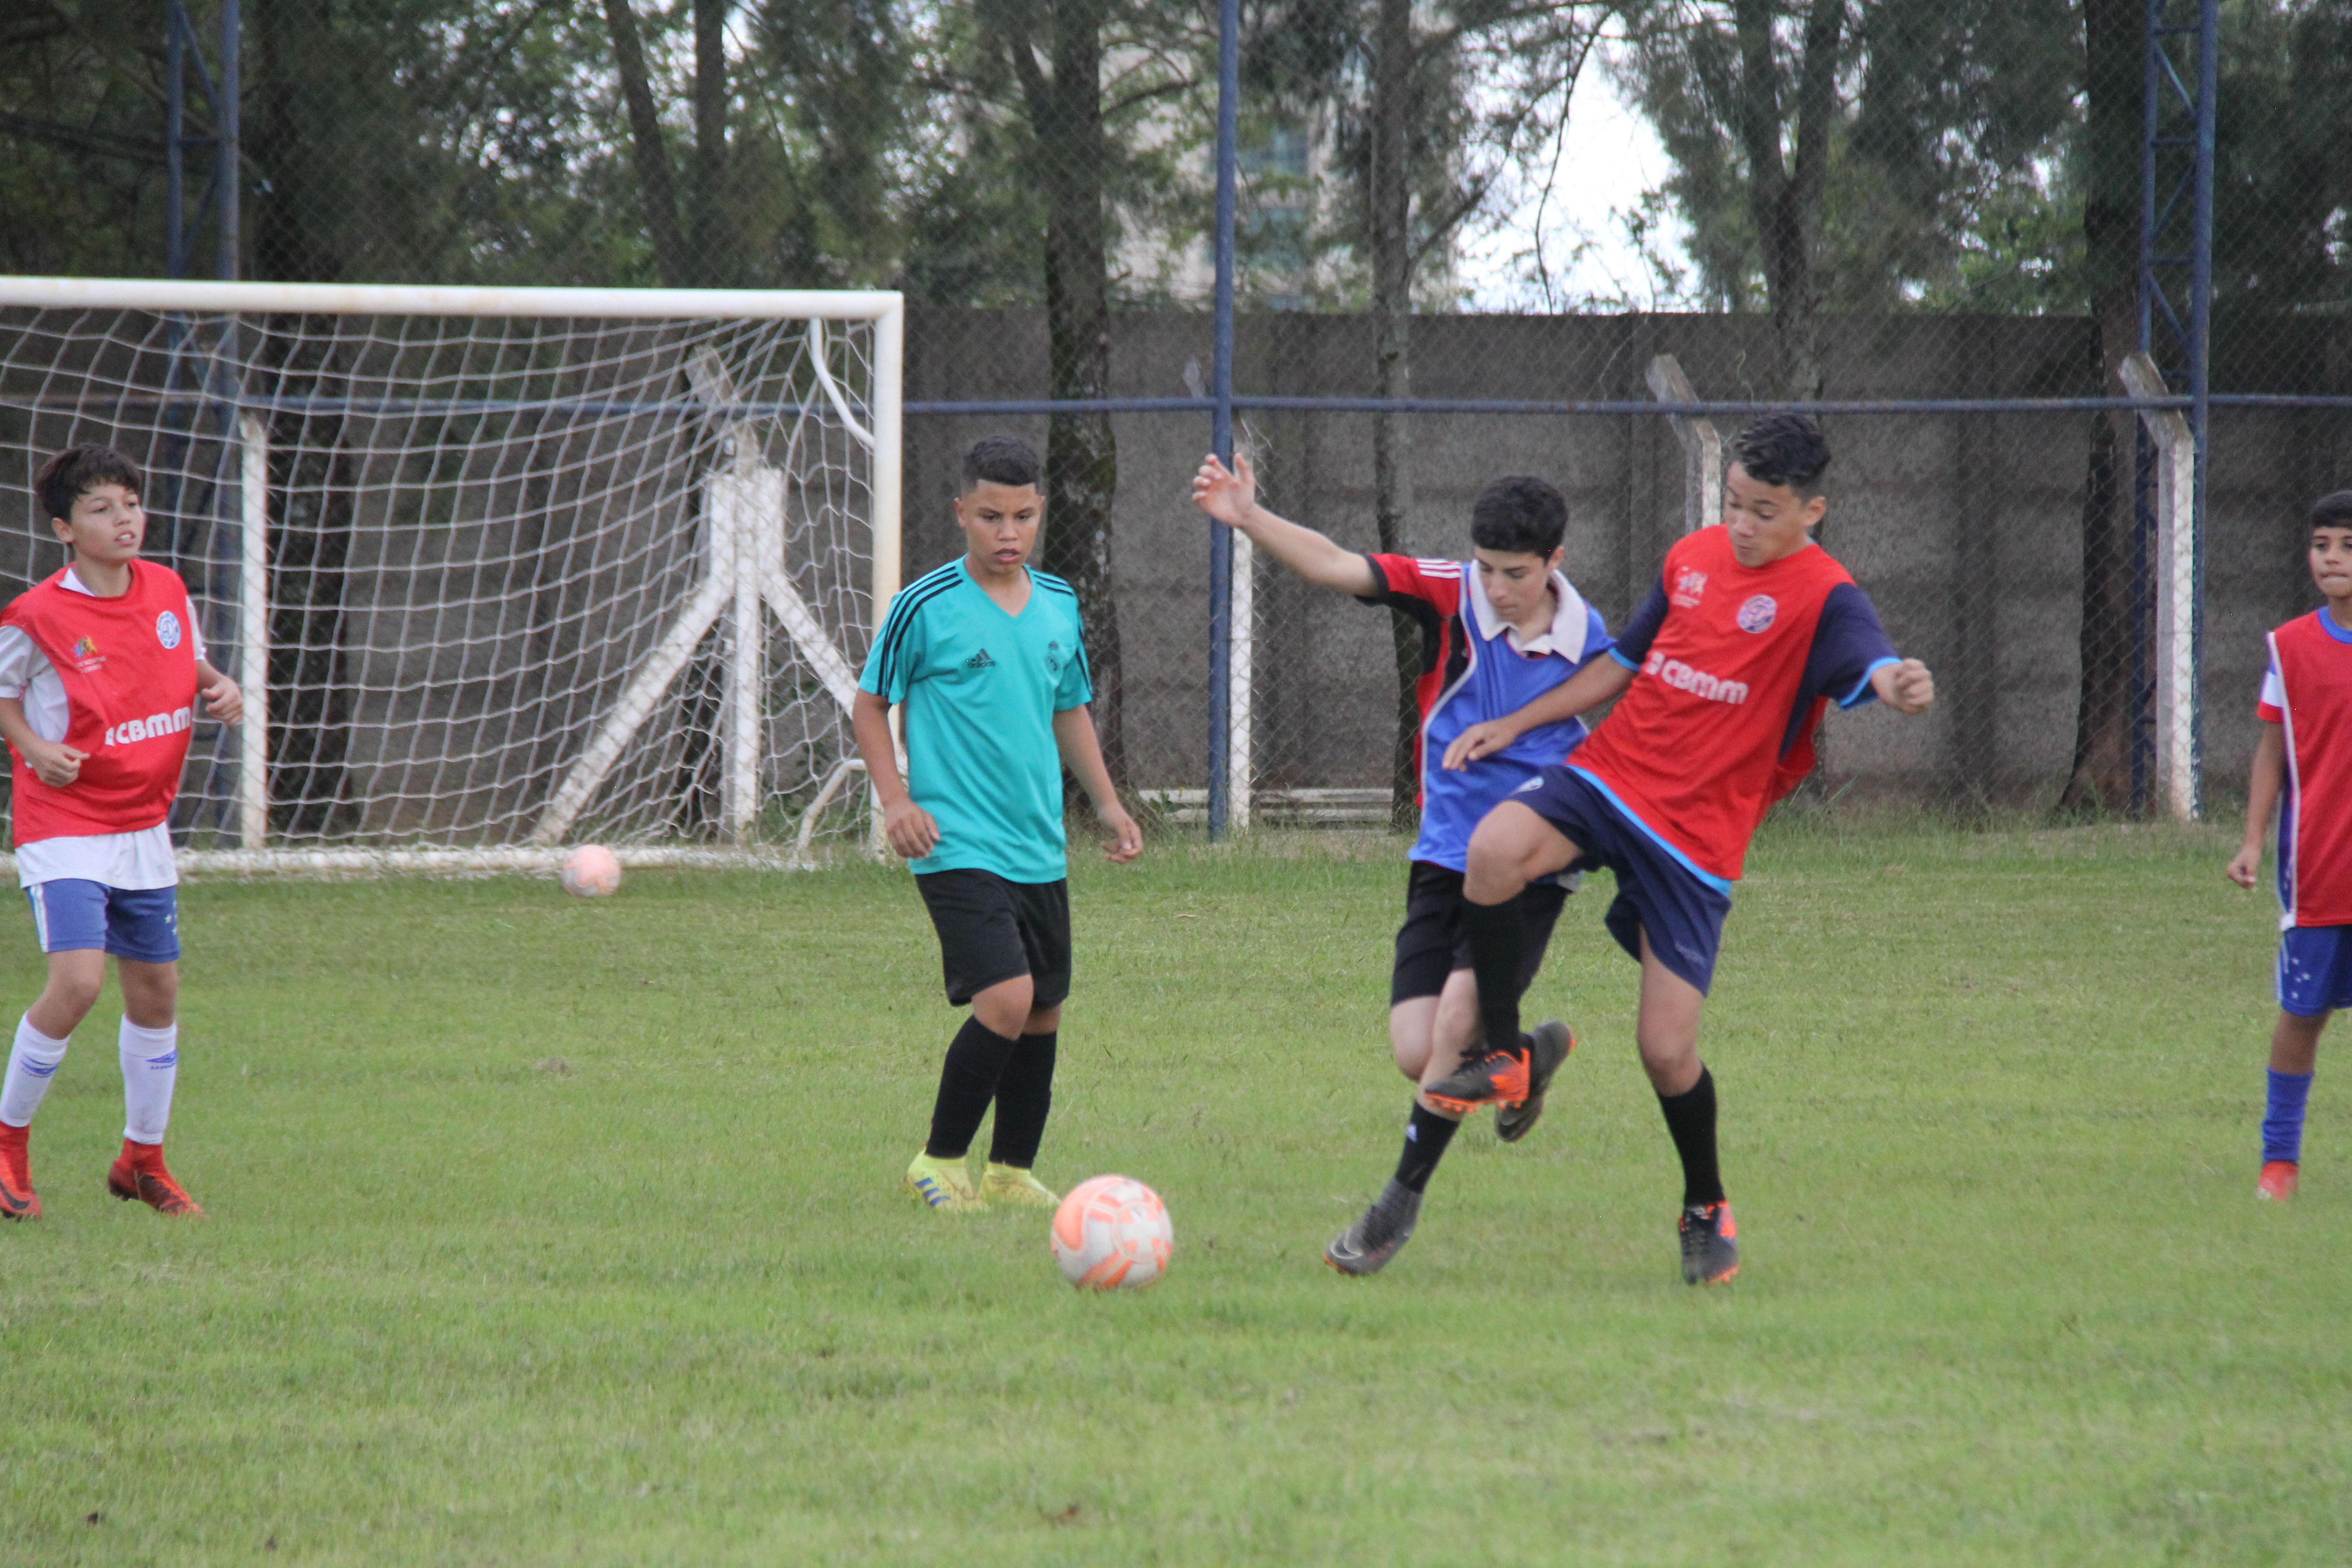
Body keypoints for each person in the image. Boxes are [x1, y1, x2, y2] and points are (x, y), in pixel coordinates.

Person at [1425, 413, 1936, 1284]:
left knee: (1665, 1051)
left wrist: (1895, 681)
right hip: (1613, 780)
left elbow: (1868, 657)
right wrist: (1513, 722)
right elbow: (1621, 663)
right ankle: (1505, 1053)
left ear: (1813, 511)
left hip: (1696, 836)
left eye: (1765, 511)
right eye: (1733, 502)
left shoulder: (1826, 597)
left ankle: (1705, 1204)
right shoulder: (1689, 559)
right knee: (1495, 848)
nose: (1742, 525)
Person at [1191, 454, 1613, 1274]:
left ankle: (1393, 1211)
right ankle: (1527, 1052)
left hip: (1529, 862)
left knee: (1456, 1034)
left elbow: (1618, 707)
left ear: (1555, 562)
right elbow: (1338, 564)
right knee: (1420, 1052)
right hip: (1441, 858)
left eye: (1516, 574)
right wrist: (1250, 517)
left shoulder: (1589, 639)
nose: (1496, 587)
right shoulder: (1449, 593)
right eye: (1487, 568)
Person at [852, 434, 1142, 1213]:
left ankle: (1011, 1171)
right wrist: (897, 801)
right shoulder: (925, 605)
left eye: (1021, 516)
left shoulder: (1059, 604)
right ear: (961, 515)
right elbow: (870, 704)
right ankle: (939, 1160)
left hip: (1037, 844)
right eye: (989, 517)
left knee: (1044, 1006)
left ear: (1040, 512)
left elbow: (1068, 708)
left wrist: (1108, 804)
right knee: (1006, 999)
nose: (1007, 533)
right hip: (953, 842)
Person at [0, 445, 244, 1220]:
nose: (124, 519)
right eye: (102, 509)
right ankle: (7, 1148)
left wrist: (221, 685)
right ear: (66, 529)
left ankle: (142, 1159)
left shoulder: (169, 589)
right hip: (65, 825)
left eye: (131, 504)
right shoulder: (37, 615)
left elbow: (186, 661)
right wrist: (36, 749)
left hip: (144, 826)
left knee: (157, 992)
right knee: (77, 984)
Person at [2226, 490, 2352, 1203]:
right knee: (2303, 1015)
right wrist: (2251, 841)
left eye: (2348, 546)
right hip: (2322, 871)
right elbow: (2273, 752)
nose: (2332, 559)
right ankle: (2280, 1160)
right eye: (2322, 544)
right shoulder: (2290, 646)